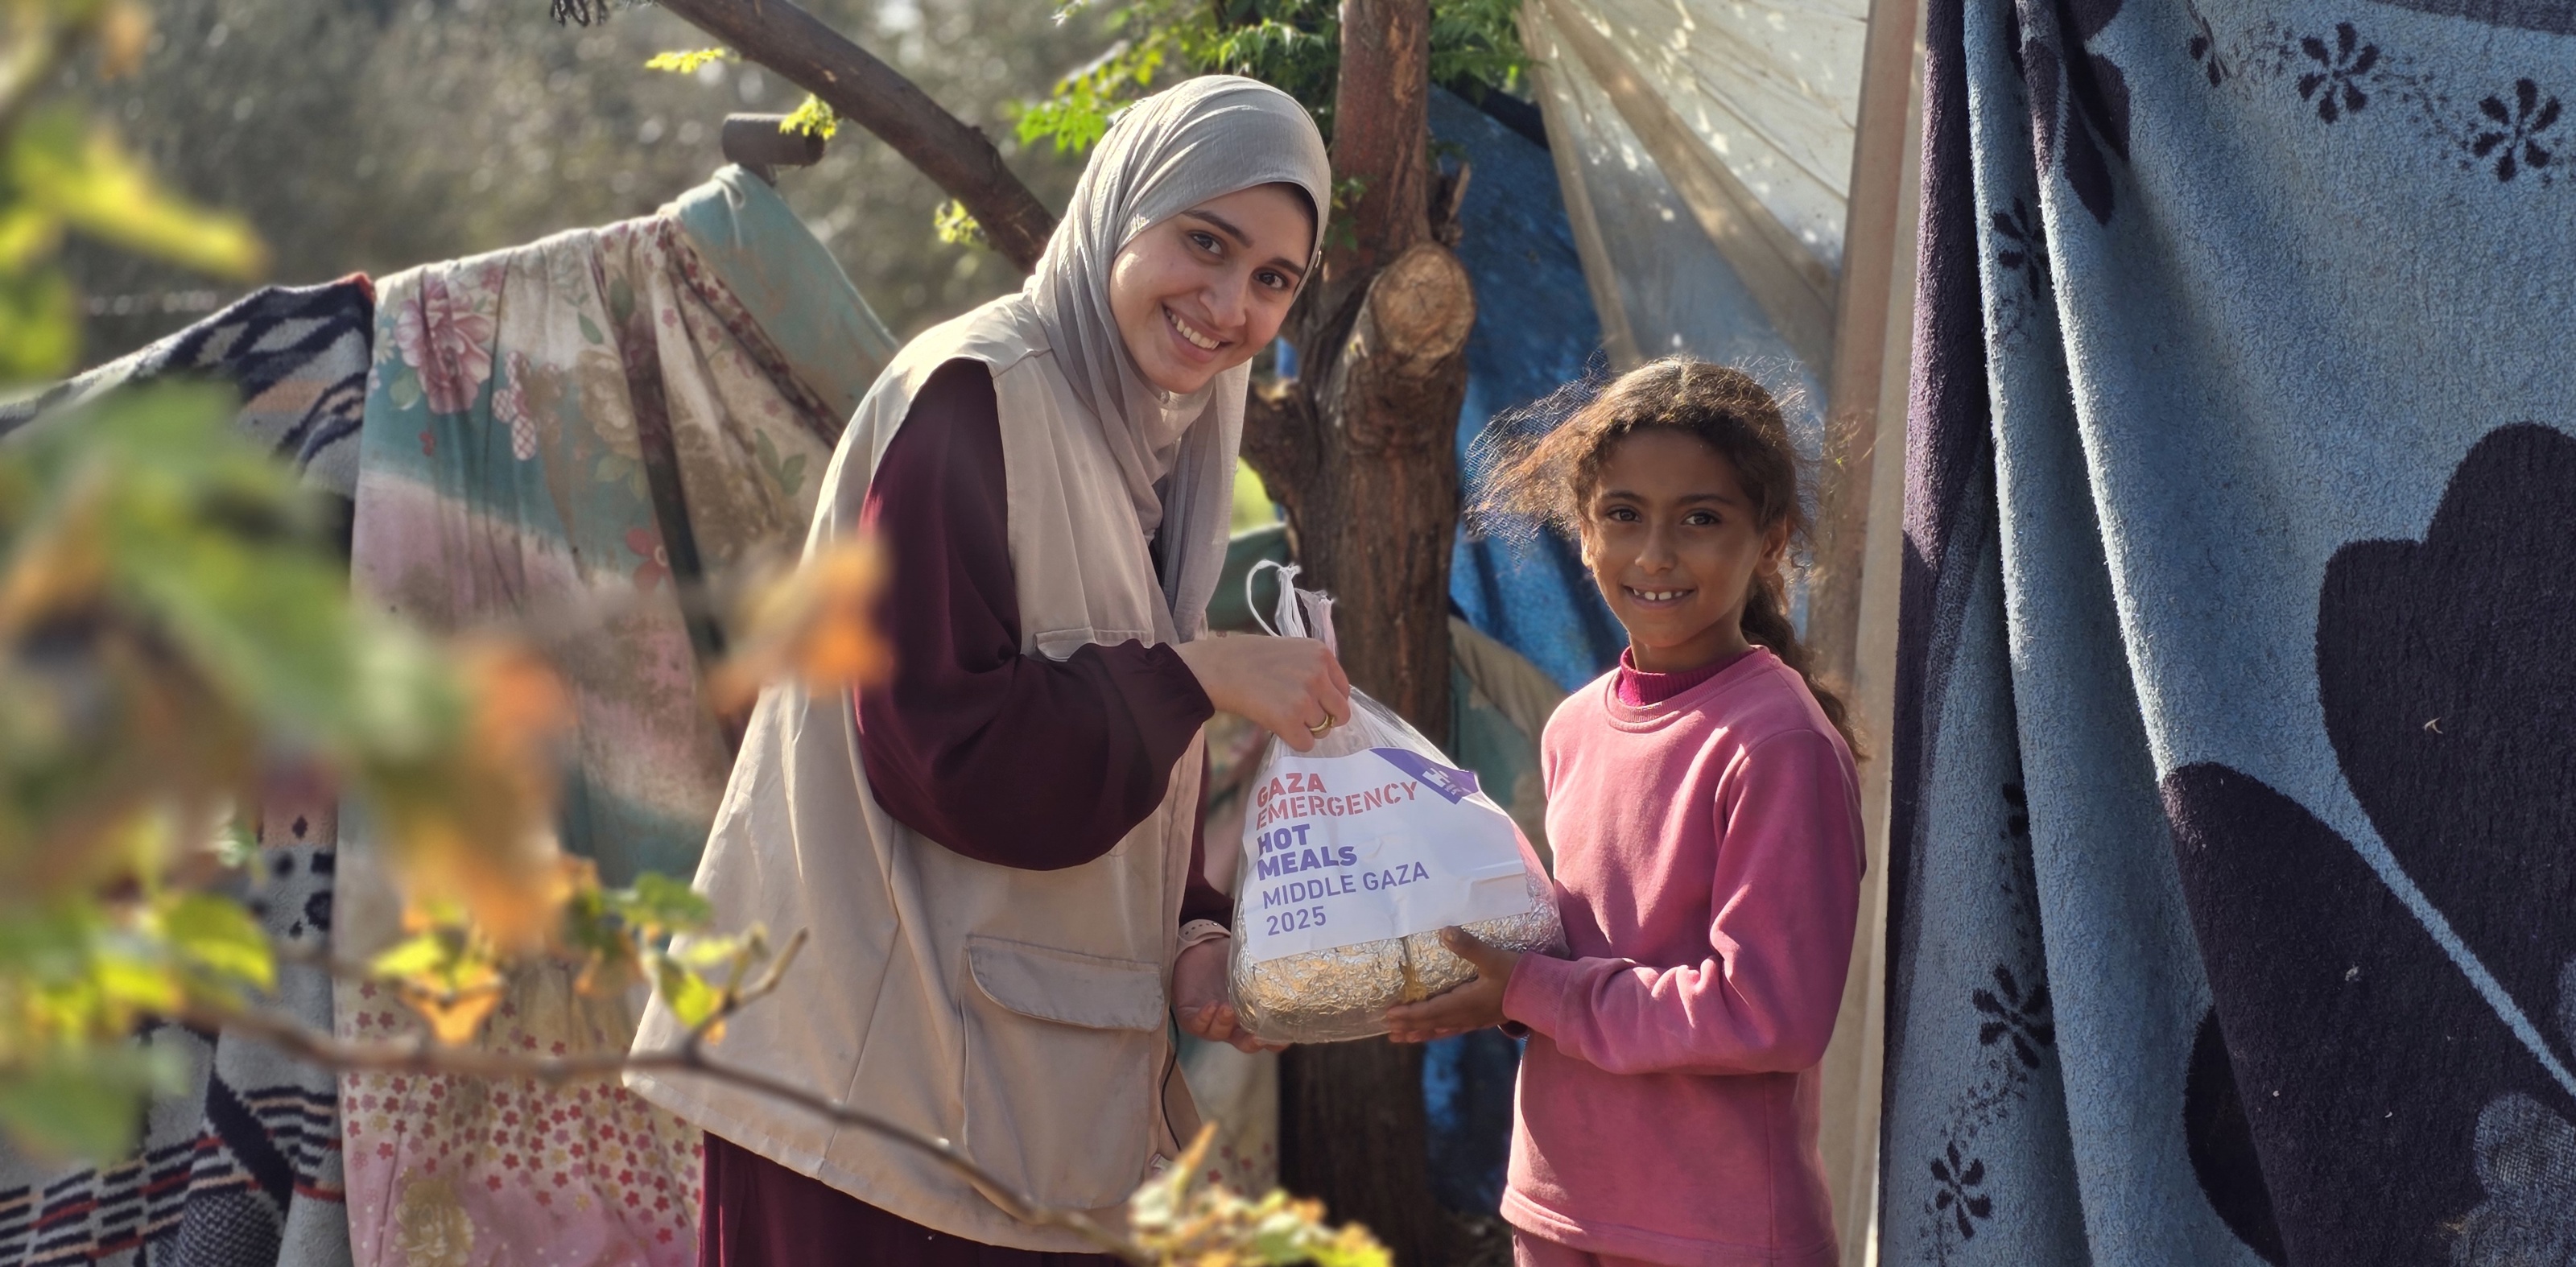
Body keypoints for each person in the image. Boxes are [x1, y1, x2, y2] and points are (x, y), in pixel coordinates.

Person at [624, 76, 1343, 1266]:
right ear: (1121, 211)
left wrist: (1194, 933)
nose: (1230, 305)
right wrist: (1196, 673)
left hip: (999, 1097)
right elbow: (943, 750)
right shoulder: (974, 396)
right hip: (868, 1113)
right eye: (1204, 243)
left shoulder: (1160, 443)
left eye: (1274, 279)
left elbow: (1115, 737)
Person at [1384, 360, 1868, 1267]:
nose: (1654, 553)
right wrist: (1483, 980)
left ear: (1768, 541)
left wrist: (1530, 989)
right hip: (1557, 1209)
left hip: (1711, 1234)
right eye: (1622, 513)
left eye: (1700, 518)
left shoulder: (1775, 744)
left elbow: (1771, 1014)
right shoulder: (1573, 725)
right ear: (1580, 530)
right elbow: (1579, 958)